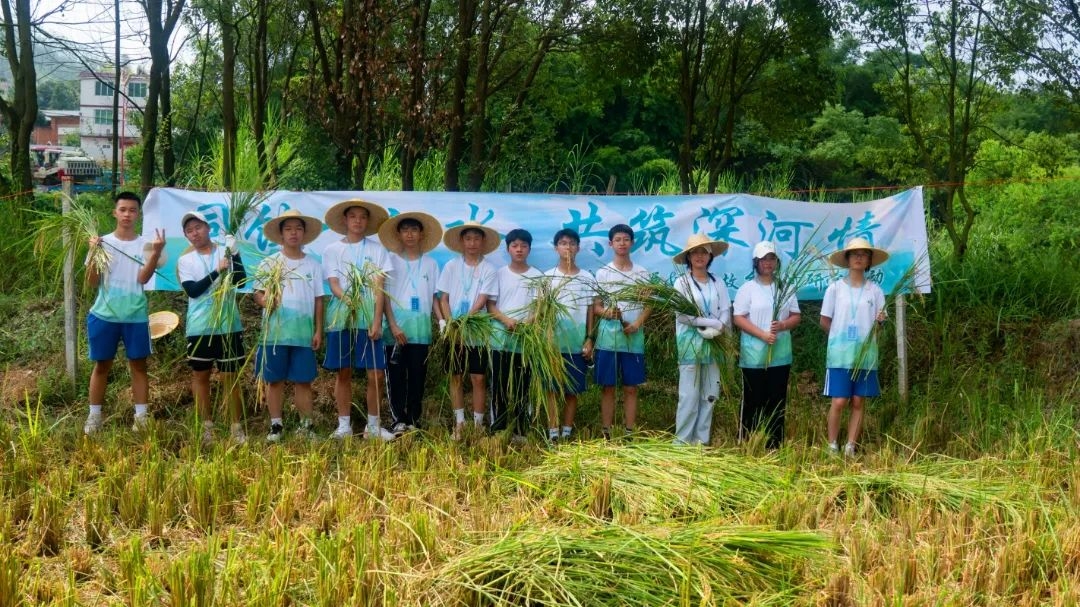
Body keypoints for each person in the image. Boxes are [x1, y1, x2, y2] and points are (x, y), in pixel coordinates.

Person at [83, 191, 166, 435]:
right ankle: (94, 416)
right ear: (115, 212)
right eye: (123, 210)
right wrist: (95, 253)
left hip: (135, 316)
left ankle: (141, 418)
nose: (127, 214)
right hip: (103, 315)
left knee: (139, 366)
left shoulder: (145, 244)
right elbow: (91, 281)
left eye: (132, 210)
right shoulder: (102, 242)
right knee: (102, 365)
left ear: (138, 215)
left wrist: (157, 253)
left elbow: (143, 278)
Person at [321, 199, 396, 441]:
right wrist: (349, 300)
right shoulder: (332, 250)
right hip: (341, 317)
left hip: (368, 319)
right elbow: (333, 285)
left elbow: (379, 289)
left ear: (367, 221)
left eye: (362, 217)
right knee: (344, 372)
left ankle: (373, 426)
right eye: (353, 216)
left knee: (376, 374)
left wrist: (376, 321)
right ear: (345, 220)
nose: (357, 221)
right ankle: (344, 425)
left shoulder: (377, 250)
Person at [253, 209, 325, 442]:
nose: (294, 233)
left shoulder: (313, 265)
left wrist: (318, 330)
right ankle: (276, 426)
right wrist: (267, 301)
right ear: (281, 234)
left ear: (304, 233)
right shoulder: (270, 263)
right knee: (275, 380)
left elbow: (319, 300)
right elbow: (258, 295)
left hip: (303, 334)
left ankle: (307, 425)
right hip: (275, 333)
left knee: (303, 380)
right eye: (289, 229)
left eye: (298, 228)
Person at [177, 211, 248, 445]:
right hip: (199, 327)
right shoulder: (185, 260)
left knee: (230, 376)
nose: (194, 233)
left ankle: (236, 427)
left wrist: (235, 254)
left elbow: (241, 281)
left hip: (228, 326)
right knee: (201, 375)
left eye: (198, 227)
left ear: (208, 228)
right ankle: (206, 427)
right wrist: (218, 270)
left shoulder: (224, 251)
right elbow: (193, 291)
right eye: (189, 230)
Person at [820, 236, 889, 456]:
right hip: (840, 355)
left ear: (869, 260)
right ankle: (832, 445)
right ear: (847, 259)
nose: (859, 258)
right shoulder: (835, 288)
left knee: (859, 400)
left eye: (864, 254)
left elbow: (880, 324)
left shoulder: (875, 291)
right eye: (855, 254)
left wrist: (880, 322)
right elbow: (825, 321)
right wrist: (839, 338)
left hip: (866, 356)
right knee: (839, 400)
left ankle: (850, 445)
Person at [379, 211, 443, 433]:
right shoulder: (390, 260)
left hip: (421, 331)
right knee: (396, 377)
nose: (409, 234)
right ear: (398, 233)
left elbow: (434, 298)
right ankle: (398, 420)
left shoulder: (432, 264)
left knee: (417, 377)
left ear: (421, 233)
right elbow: (383, 296)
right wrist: (393, 325)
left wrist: (442, 321)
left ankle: (414, 420)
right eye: (405, 230)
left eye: (414, 230)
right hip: (394, 331)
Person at [732, 241, 801, 449]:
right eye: (763, 259)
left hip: (780, 355)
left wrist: (782, 325)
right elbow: (738, 317)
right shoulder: (747, 288)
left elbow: (796, 316)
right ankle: (748, 441)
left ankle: (774, 444)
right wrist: (761, 334)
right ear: (756, 262)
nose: (767, 263)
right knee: (753, 399)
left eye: (771, 258)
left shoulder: (785, 287)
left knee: (777, 398)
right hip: (753, 356)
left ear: (777, 262)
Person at [436, 221, 499, 440]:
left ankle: (479, 424)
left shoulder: (489, 269)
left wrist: (465, 321)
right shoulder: (451, 266)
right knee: (455, 376)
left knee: (478, 378)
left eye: (476, 239)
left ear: (483, 242)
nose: (472, 243)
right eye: (468, 238)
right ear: (462, 242)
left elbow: (482, 300)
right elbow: (443, 298)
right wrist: (450, 323)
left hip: (477, 332)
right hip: (453, 333)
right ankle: (460, 423)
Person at [671, 234, 731, 446]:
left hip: (714, 345)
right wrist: (709, 323)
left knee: (710, 394)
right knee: (689, 395)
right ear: (688, 256)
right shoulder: (682, 282)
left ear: (710, 256)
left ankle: (701, 441)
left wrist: (720, 326)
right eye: (695, 252)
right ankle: (682, 443)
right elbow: (682, 315)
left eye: (703, 252)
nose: (699, 256)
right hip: (689, 345)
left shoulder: (718, 282)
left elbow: (725, 310)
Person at [593, 224, 651, 439]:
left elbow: (649, 304)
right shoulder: (603, 273)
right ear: (610, 244)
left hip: (633, 339)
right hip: (608, 339)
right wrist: (608, 313)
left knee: (631, 388)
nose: (622, 243)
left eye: (626, 239)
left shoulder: (642, 273)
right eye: (617, 239)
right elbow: (596, 307)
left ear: (632, 243)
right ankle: (606, 432)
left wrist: (636, 324)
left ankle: (629, 432)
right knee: (608, 387)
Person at [488, 229, 543, 442]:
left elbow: (540, 308)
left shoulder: (537, 276)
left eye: (523, 246)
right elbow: (491, 306)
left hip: (525, 340)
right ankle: (498, 428)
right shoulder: (499, 274)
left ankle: (521, 428)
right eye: (515, 246)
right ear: (508, 248)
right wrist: (507, 321)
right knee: (499, 385)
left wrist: (527, 323)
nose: (519, 249)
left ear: (529, 248)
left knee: (523, 385)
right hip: (500, 339)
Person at [543, 228, 595, 443]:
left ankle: (567, 431)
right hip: (552, 345)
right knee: (552, 390)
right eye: (563, 243)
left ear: (578, 248)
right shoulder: (547, 278)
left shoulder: (586, 278)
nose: (568, 247)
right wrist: (545, 338)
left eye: (572, 243)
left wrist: (590, 338)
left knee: (572, 391)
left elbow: (591, 310)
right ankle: (553, 432)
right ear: (556, 248)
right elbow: (542, 311)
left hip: (576, 345)